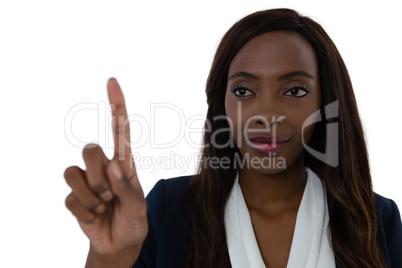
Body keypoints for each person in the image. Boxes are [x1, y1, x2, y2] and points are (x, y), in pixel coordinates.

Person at [64, 8, 402, 268]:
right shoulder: (169, 209)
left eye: (295, 90)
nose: (267, 114)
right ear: (220, 105)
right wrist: (111, 257)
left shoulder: (377, 219)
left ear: (326, 102)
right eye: (243, 90)